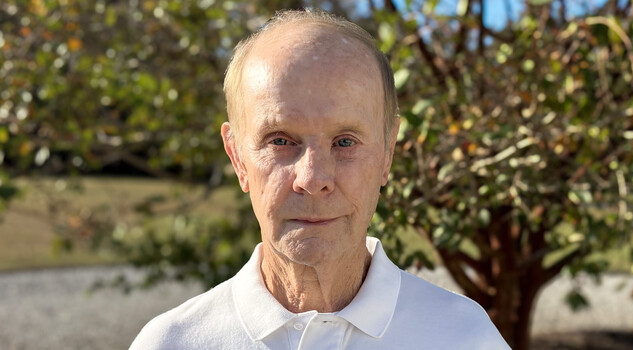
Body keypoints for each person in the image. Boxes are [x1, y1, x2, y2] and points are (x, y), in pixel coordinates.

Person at [130, 9, 509, 350]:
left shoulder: (465, 337)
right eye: (280, 140)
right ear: (237, 157)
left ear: (387, 152)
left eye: (345, 142)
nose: (312, 178)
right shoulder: (169, 343)